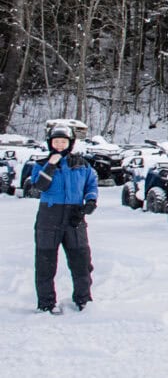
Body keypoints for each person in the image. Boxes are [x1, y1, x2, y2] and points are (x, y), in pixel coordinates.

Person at [30, 124, 99, 314]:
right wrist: (51, 164)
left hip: (74, 218)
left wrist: (90, 201)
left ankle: (83, 299)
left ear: (70, 143)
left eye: (63, 142)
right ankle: (46, 303)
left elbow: (91, 184)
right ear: (50, 143)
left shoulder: (81, 164)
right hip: (48, 218)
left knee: (81, 261)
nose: (59, 145)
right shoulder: (40, 164)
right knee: (45, 263)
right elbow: (39, 187)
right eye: (56, 141)